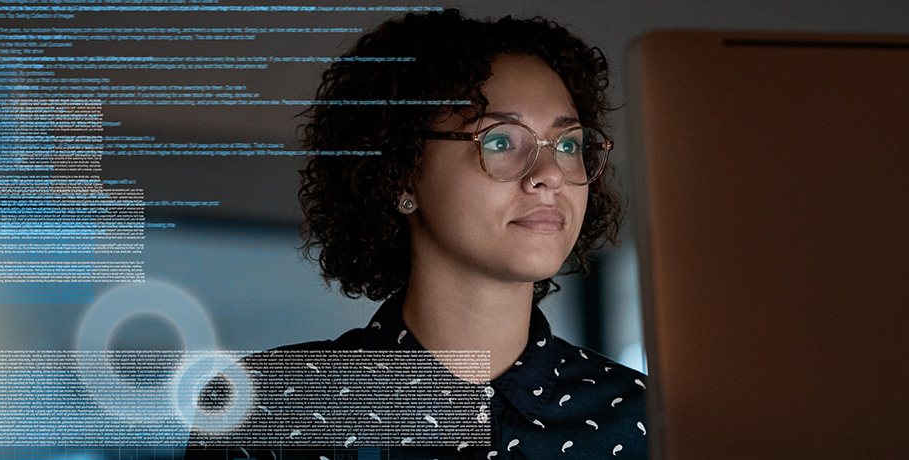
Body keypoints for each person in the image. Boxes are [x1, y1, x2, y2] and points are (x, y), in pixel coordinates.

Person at [184, 9, 645, 460]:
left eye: (568, 145)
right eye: (501, 140)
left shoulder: (650, 418)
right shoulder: (266, 409)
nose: (551, 174)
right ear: (401, 173)